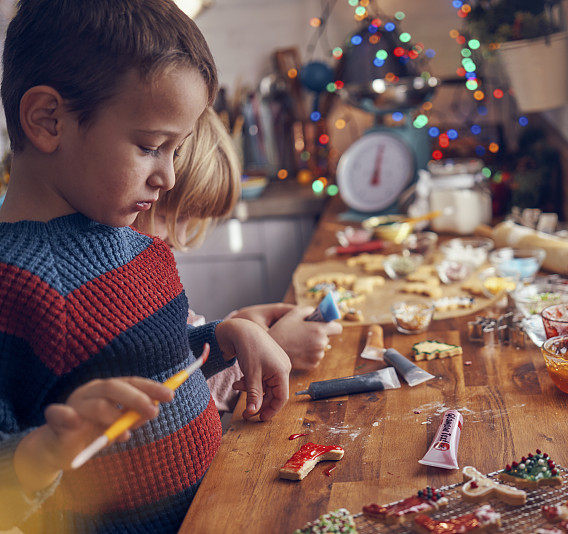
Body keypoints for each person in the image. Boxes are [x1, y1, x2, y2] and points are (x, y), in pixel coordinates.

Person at [0, 1, 291, 532]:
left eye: (176, 151)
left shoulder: (137, 246)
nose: (169, 178)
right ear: (47, 120)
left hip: (214, 511)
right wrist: (44, 450)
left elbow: (157, 369)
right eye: (152, 147)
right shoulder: (17, 283)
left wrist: (224, 337)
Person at [133, 107, 342, 412]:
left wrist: (237, 331)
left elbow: (185, 342)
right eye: (168, 216)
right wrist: (276, 348)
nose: (175, 238)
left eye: (190, 220)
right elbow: (171, 390)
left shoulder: (150, 266)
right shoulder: (124, 278)